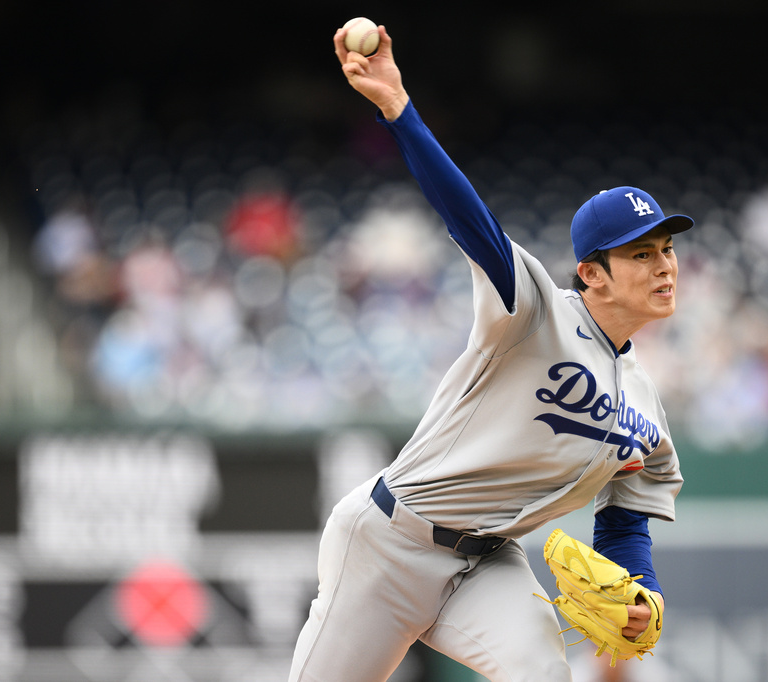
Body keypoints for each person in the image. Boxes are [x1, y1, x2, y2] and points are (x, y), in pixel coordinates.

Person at [288, 23, 693, 682]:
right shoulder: (533, 312)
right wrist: (399, 109)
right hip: (391, 544)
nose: (664, 266)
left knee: (544, 673)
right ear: (592, 273)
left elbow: (624, 522)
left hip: (488, 563)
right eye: (641, 254)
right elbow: (470, 219)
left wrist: (640, 589)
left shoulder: (646, 406)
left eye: (668, 250)